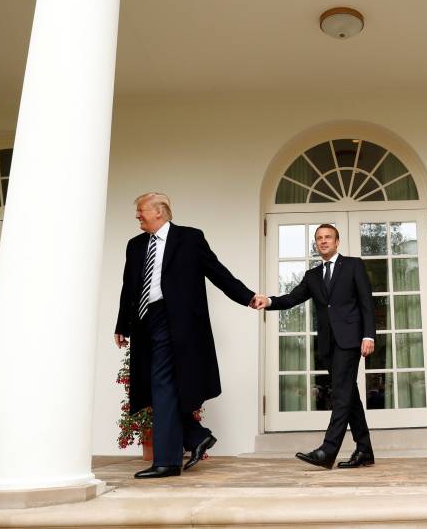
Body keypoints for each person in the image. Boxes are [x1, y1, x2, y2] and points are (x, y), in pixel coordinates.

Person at [115, 192, 257, 478]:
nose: (137, 216)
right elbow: (128, 287)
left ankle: (167, 461)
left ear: (159, 212)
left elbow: (217, 272)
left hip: (176, 321)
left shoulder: (190, 238)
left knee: (162, 383)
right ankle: (195, 436)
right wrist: (122, 324)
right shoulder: (135, 245)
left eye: (141, 210)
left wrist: (248, 297)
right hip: (145, 322)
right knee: (158, 387)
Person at [252, 224, 376, 469]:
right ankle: (365, 450)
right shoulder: (313, 276)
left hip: (350, 340)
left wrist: (368, 335)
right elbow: (292, 298)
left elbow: (366, 303)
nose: (323, 241)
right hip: (328, 343)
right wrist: (268, 301)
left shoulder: (353, 265)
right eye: (319, 238)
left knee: (341, 395)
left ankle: (328, 451)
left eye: (328, 237)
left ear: (337, 242)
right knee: (349, 395)